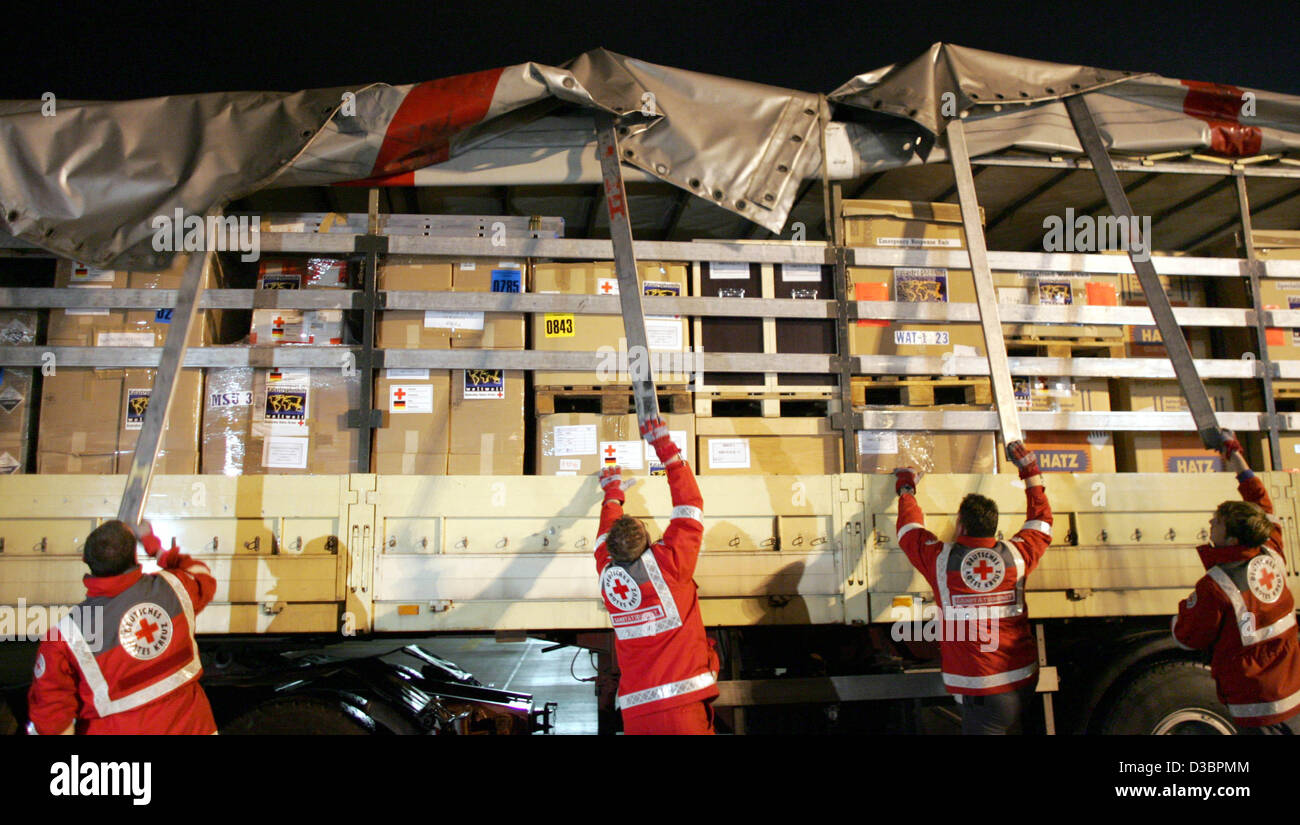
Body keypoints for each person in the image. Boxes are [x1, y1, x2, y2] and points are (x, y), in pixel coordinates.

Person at [893, 440, 1052, 734]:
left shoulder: (942, 561)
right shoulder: (1017, 554)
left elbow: (909, 531)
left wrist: (906, 489)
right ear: (993, 526)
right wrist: (1031, 472)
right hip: (1023, 679)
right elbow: (1041, 522)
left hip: (984, 690)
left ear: (961, 526)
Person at [27, 519, 218, 735]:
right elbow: (201, 573)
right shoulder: (175, 588)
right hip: (194, 726)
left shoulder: (65, 636)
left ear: (85, 560)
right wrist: (154, 547)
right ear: (135, 557)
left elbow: (52, 717)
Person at [593, 415, 718, 734]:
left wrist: (612, 494)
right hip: (683, 708)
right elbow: (689, 506)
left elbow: (603, 538)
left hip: (637, 713)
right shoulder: (668, 565)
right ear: (648, 541)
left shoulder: (609, 577)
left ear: (611, 550)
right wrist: (664, 447)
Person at [1172, 429, 1300, 733]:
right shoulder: (1270, 548)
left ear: (1231, 538)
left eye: (1217, 522)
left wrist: (1179, 617)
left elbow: (1187, 637)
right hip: (1291, 689)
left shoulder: (1216, 585)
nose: (1210, 523)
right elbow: (1260, 502)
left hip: (1255, 703)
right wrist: (1234, 454)